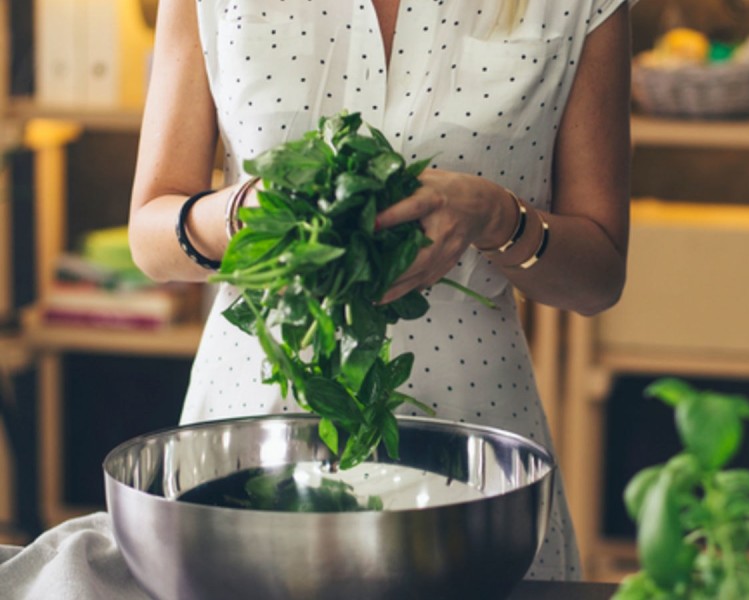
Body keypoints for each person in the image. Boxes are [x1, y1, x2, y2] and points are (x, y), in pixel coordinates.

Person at [128, 0, 635, 581]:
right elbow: (150, 233)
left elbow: (600, 274)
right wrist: (250, 213)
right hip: (250, 429)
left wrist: (497, 217)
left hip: (472, 450)